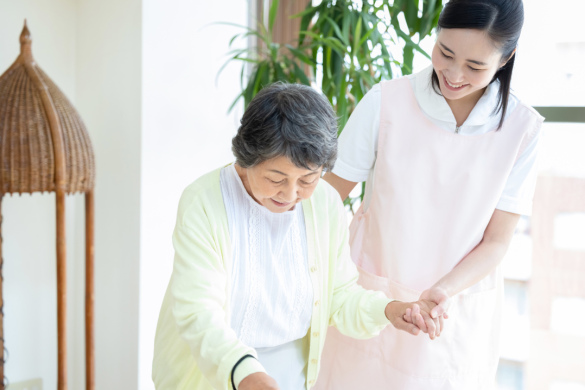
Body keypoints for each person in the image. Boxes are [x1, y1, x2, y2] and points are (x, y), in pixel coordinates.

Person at [314, 0, 543, 389]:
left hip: (454, 312)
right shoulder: (386, 101)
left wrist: (442, 292)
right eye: (445, 52)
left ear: (507, 58)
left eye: (475, 67)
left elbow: (497, 241)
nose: (453, 74)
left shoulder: (523, 129)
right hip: (374, 301)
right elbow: (324, 200)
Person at [152, 83, 437, 390]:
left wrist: (388, 310)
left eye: (307, 179)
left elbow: (339, 297)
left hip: (290, 376)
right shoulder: (204, 202)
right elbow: (199, 311)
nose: (290, 194)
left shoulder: (324, 202)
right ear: (247, 157)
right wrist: (247, 374)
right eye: (276, 178)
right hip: (214, 372)